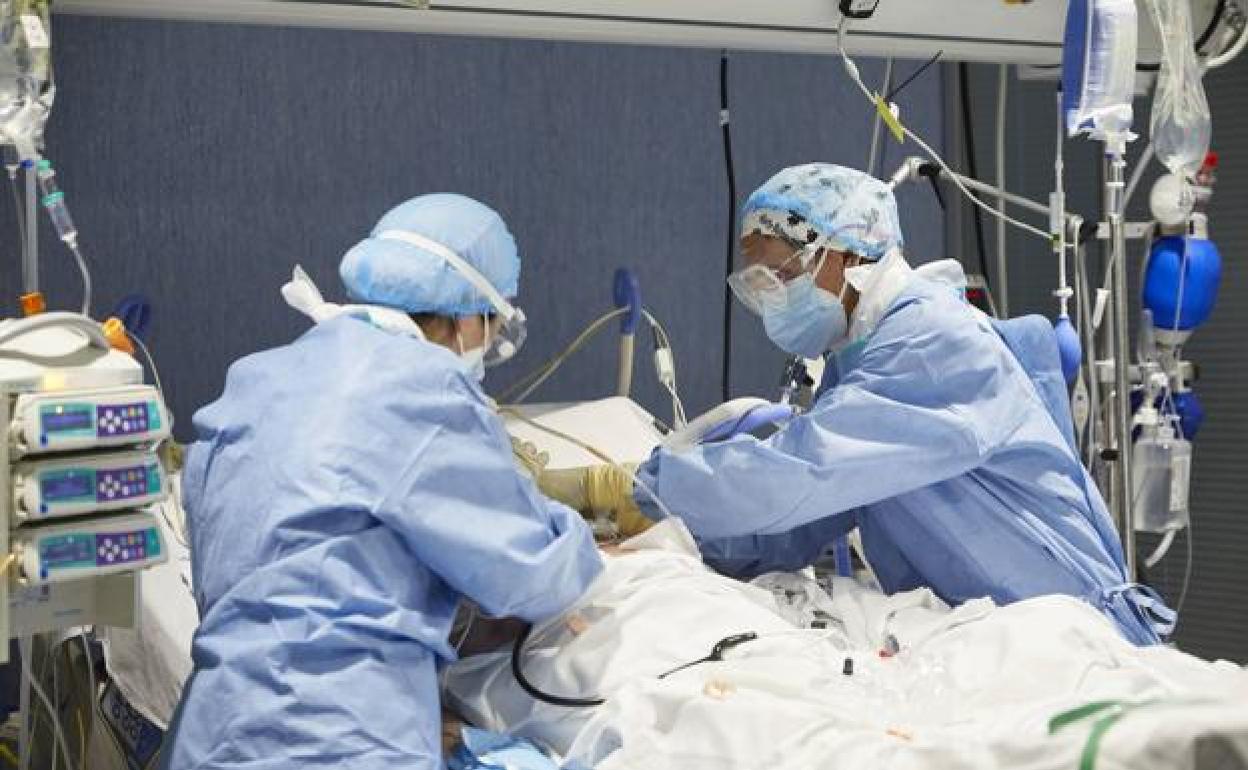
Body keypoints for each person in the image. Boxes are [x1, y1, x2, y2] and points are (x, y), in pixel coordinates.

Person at [548, 163, 1172, 646]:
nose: (769, 300)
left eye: (779, 276)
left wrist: (635, 490)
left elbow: (804, 472)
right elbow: (799, 521)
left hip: (1066, 627)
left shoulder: (931, 342)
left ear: (845, 255)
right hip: (991, 626)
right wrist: (663, 535)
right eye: (756, 285)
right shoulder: (861, 353)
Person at [161, 194, 603, 769]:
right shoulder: (426, 388)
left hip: (216, 731)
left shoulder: (256, 379)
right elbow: (530, 574)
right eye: (493, 329)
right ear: (468, 317)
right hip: (338, 735)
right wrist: (584, 541)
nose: (488, 348)